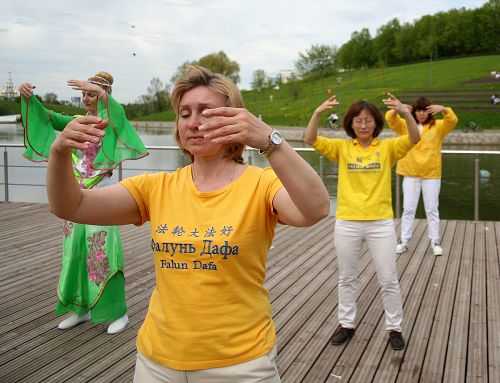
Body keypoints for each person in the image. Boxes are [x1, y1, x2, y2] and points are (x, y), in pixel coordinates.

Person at [45, 65, 330, 382]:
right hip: (158, 361)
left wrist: (270, 141)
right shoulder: (157, 187)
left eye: (206, 112)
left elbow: (315, 209)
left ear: (236, 119)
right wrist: (58, 152)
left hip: (240, 364)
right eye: (185, 114)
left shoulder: (260, 184)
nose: (194, 122)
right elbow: (70, 205)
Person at [19, 71, 148, 334]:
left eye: (92, 93)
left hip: (101, 193)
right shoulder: (77, 121)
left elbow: (118, 116)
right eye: (84, 94)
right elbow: (47, 118)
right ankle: (80, 309)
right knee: (74, 253)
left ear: (104, 94)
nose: (86, 98)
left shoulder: (109, 121)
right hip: (76, 195)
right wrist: (30, 98)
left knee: (103, 254)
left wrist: (101, 93)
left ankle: (117, 311)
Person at [304, 94, 420, 351]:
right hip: (347, 222)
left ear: (376, 124)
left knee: (388, 278)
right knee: (347, 277)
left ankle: (394, 328)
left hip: (380, 223)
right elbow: (309, 139)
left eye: (368, 120)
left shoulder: (387, 148)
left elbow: (414, 138)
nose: (364, 125)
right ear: (351, 124)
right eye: (358, 121)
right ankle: (346, 324)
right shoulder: (343, 148)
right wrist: (317, 113)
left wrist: (406, 112)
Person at [385, 96, 458, 256]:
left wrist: (445, 109)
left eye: (424, 110)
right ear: (414, 111)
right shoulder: (406, 125)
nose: (421, 114)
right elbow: (391, 119)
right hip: (410, 173)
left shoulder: (438, 127)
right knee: (408, 209)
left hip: (431, 174)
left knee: (432, 209)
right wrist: (398, 109)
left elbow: (452, 120)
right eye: (418, 110)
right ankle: (404, 241)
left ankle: (435, 241)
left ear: (430, 111)